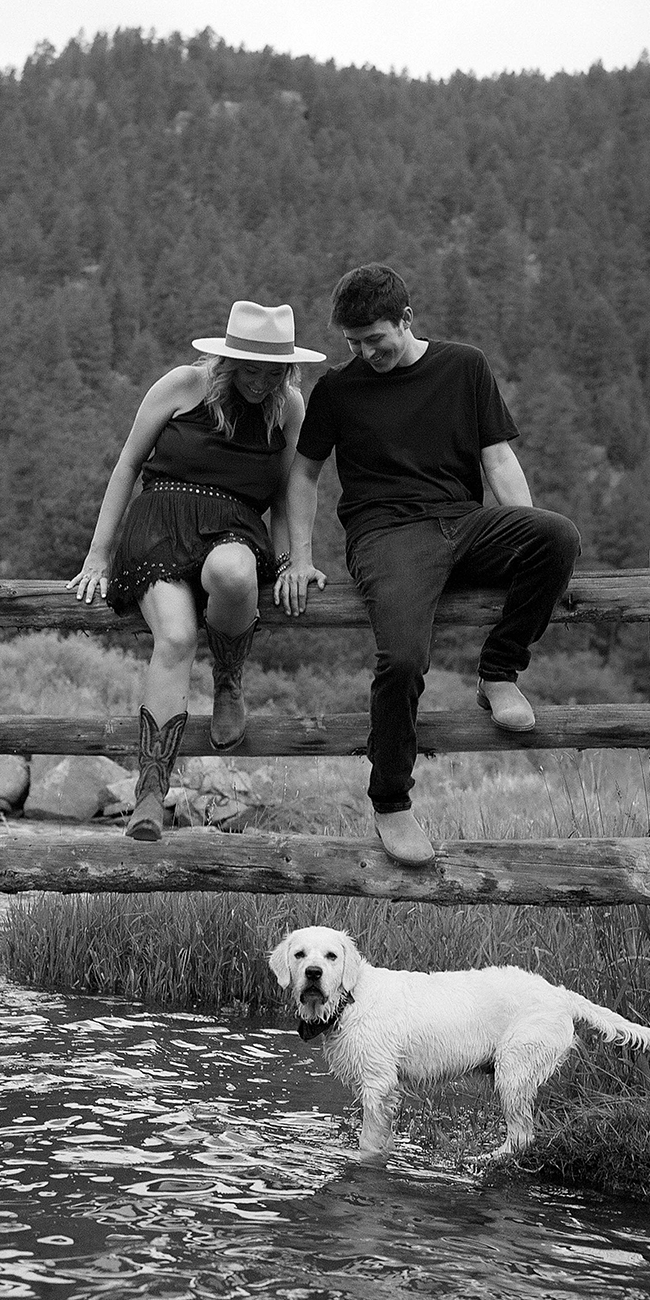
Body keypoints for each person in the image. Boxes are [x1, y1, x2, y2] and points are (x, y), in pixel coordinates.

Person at [277, 264, 580, 868]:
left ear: (407, 319)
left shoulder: (464, 367)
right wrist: (300, 559)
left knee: (556, 535)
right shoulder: (337, 390)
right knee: (404, 658)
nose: (366, 352)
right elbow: (304, 474)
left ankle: (499, 673)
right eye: (354, 343)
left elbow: (498, 461)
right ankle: (391, 800)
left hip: (462, 525)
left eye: (376, 339)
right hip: (386, 535)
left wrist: (530, 544)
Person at [71, 300, 325, 840]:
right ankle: (149, 794)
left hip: (234, 527)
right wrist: (97, 554)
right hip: (160, 521)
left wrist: (292, 560)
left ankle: (229, 680)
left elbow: (289, 492)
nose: (259, 382)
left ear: (288, 369)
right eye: (249, 370)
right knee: (177, 636)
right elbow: (128, 464)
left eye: (272, 371)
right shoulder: (182, 385)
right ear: (229, 361)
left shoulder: (291, 408)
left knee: (234, 574)